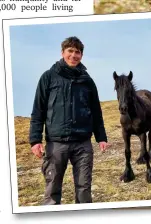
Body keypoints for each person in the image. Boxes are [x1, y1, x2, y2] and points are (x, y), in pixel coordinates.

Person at [29, 36, 108, 205]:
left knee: (84, 189)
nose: (74, 55)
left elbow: (96, 111)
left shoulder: (87, 81)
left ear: (81, 55)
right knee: (52, 189)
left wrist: (101, 137)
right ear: (62, 52)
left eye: (77, 52)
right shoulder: (48, 77)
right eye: (70, 51)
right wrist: (35, 140)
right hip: (56, 144)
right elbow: (38, 111)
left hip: (83, 144)